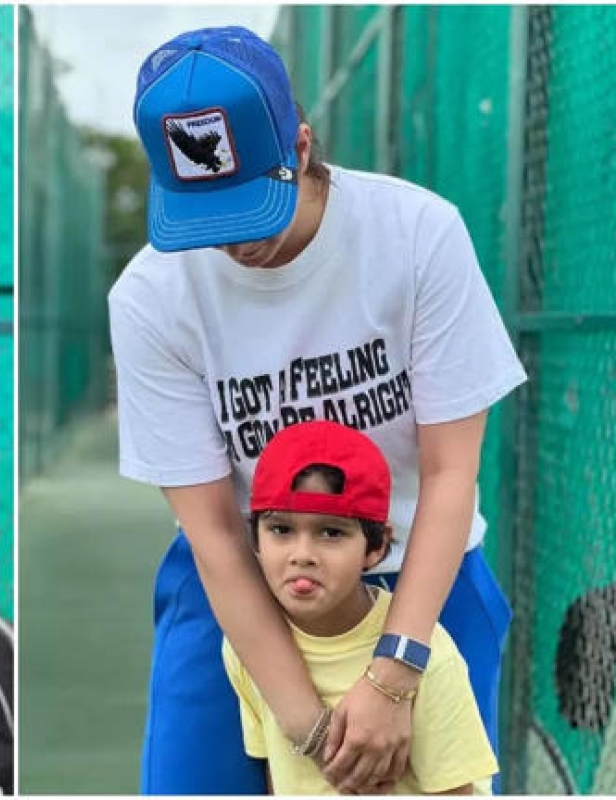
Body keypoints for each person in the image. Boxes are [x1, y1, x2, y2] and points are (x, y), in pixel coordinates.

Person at [108, 25, 526, 794]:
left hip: (416, 568)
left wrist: (396, 674)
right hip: (247, 570)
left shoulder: (416, 235)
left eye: (248, 206)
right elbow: (210, 531)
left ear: (300, 146)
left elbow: (450, 471)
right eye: (205, 212)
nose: (233, 242)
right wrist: (308, 724)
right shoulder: (150, 296)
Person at [222, 420, 498, 795]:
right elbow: (278, 771)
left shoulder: (431, 657)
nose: (302, 555)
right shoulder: (245, 646)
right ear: (254, 538)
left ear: (376, 548)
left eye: (331, 533)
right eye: (281, 530)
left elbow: (457, 791)